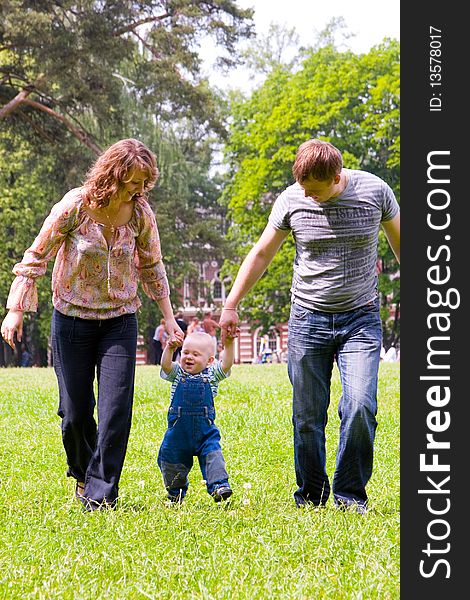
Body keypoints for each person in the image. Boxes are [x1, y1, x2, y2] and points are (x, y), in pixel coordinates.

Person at [1, 138, 184, 511]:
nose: (139, 190)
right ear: (113, 175)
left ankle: (101, 496)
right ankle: (83, 474)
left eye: (143, 183)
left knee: (116, 409)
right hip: (71, 320)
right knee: (75, 413)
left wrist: (169, 318)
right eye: (132, 182)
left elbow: (152, 265)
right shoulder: (76, 205)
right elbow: (37, 253)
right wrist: (16, 307)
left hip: (119, 320)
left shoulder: (140, 214)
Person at [220, 139, 400, 513]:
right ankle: (312, 496)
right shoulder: (291, 199)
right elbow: (262, 252)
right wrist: (231, 303)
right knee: (307, 417)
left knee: (361, 406)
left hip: (360, 317)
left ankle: (350, 496)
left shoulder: (375, 191)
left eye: (315, 191)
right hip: (308, 318)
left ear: (337, 176)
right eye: (303, 188)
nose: (308, 196)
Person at [157, 331, 235, 504]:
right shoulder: (177, 372)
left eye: (195, 354)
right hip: (178, 432)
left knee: (213, 456)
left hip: (205, 431)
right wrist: (169, 348)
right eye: (185, 352)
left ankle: (219, 486)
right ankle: (175, 493)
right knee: (170, 459)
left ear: (209, 361)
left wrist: (229, 344)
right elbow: (165, 365)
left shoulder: (211, 374)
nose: (188, 357)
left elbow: (227, 365)